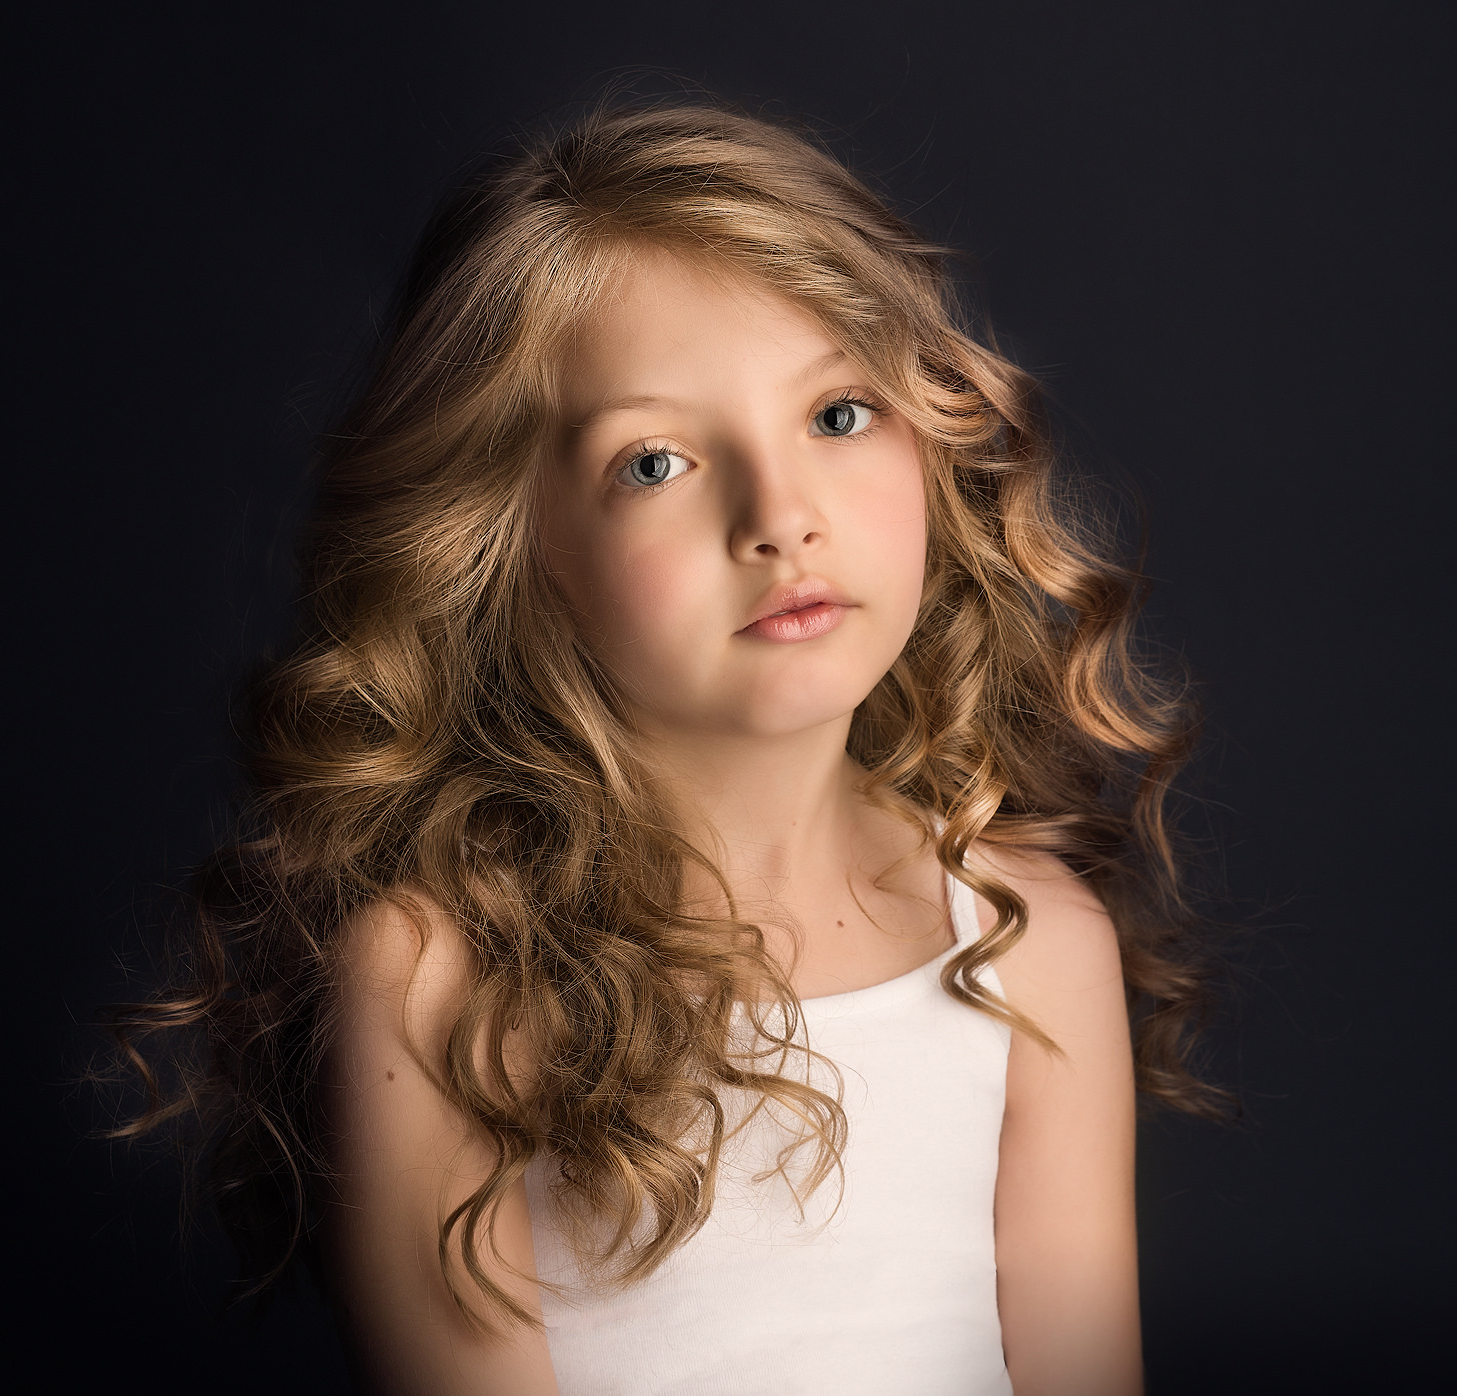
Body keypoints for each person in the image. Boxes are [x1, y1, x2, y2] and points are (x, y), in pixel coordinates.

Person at [108, 103, 1223, 1395]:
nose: (779, 516)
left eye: (840, 414)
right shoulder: (440, 982)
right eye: (655, 461)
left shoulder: (1033, 943)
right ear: (518, 552)